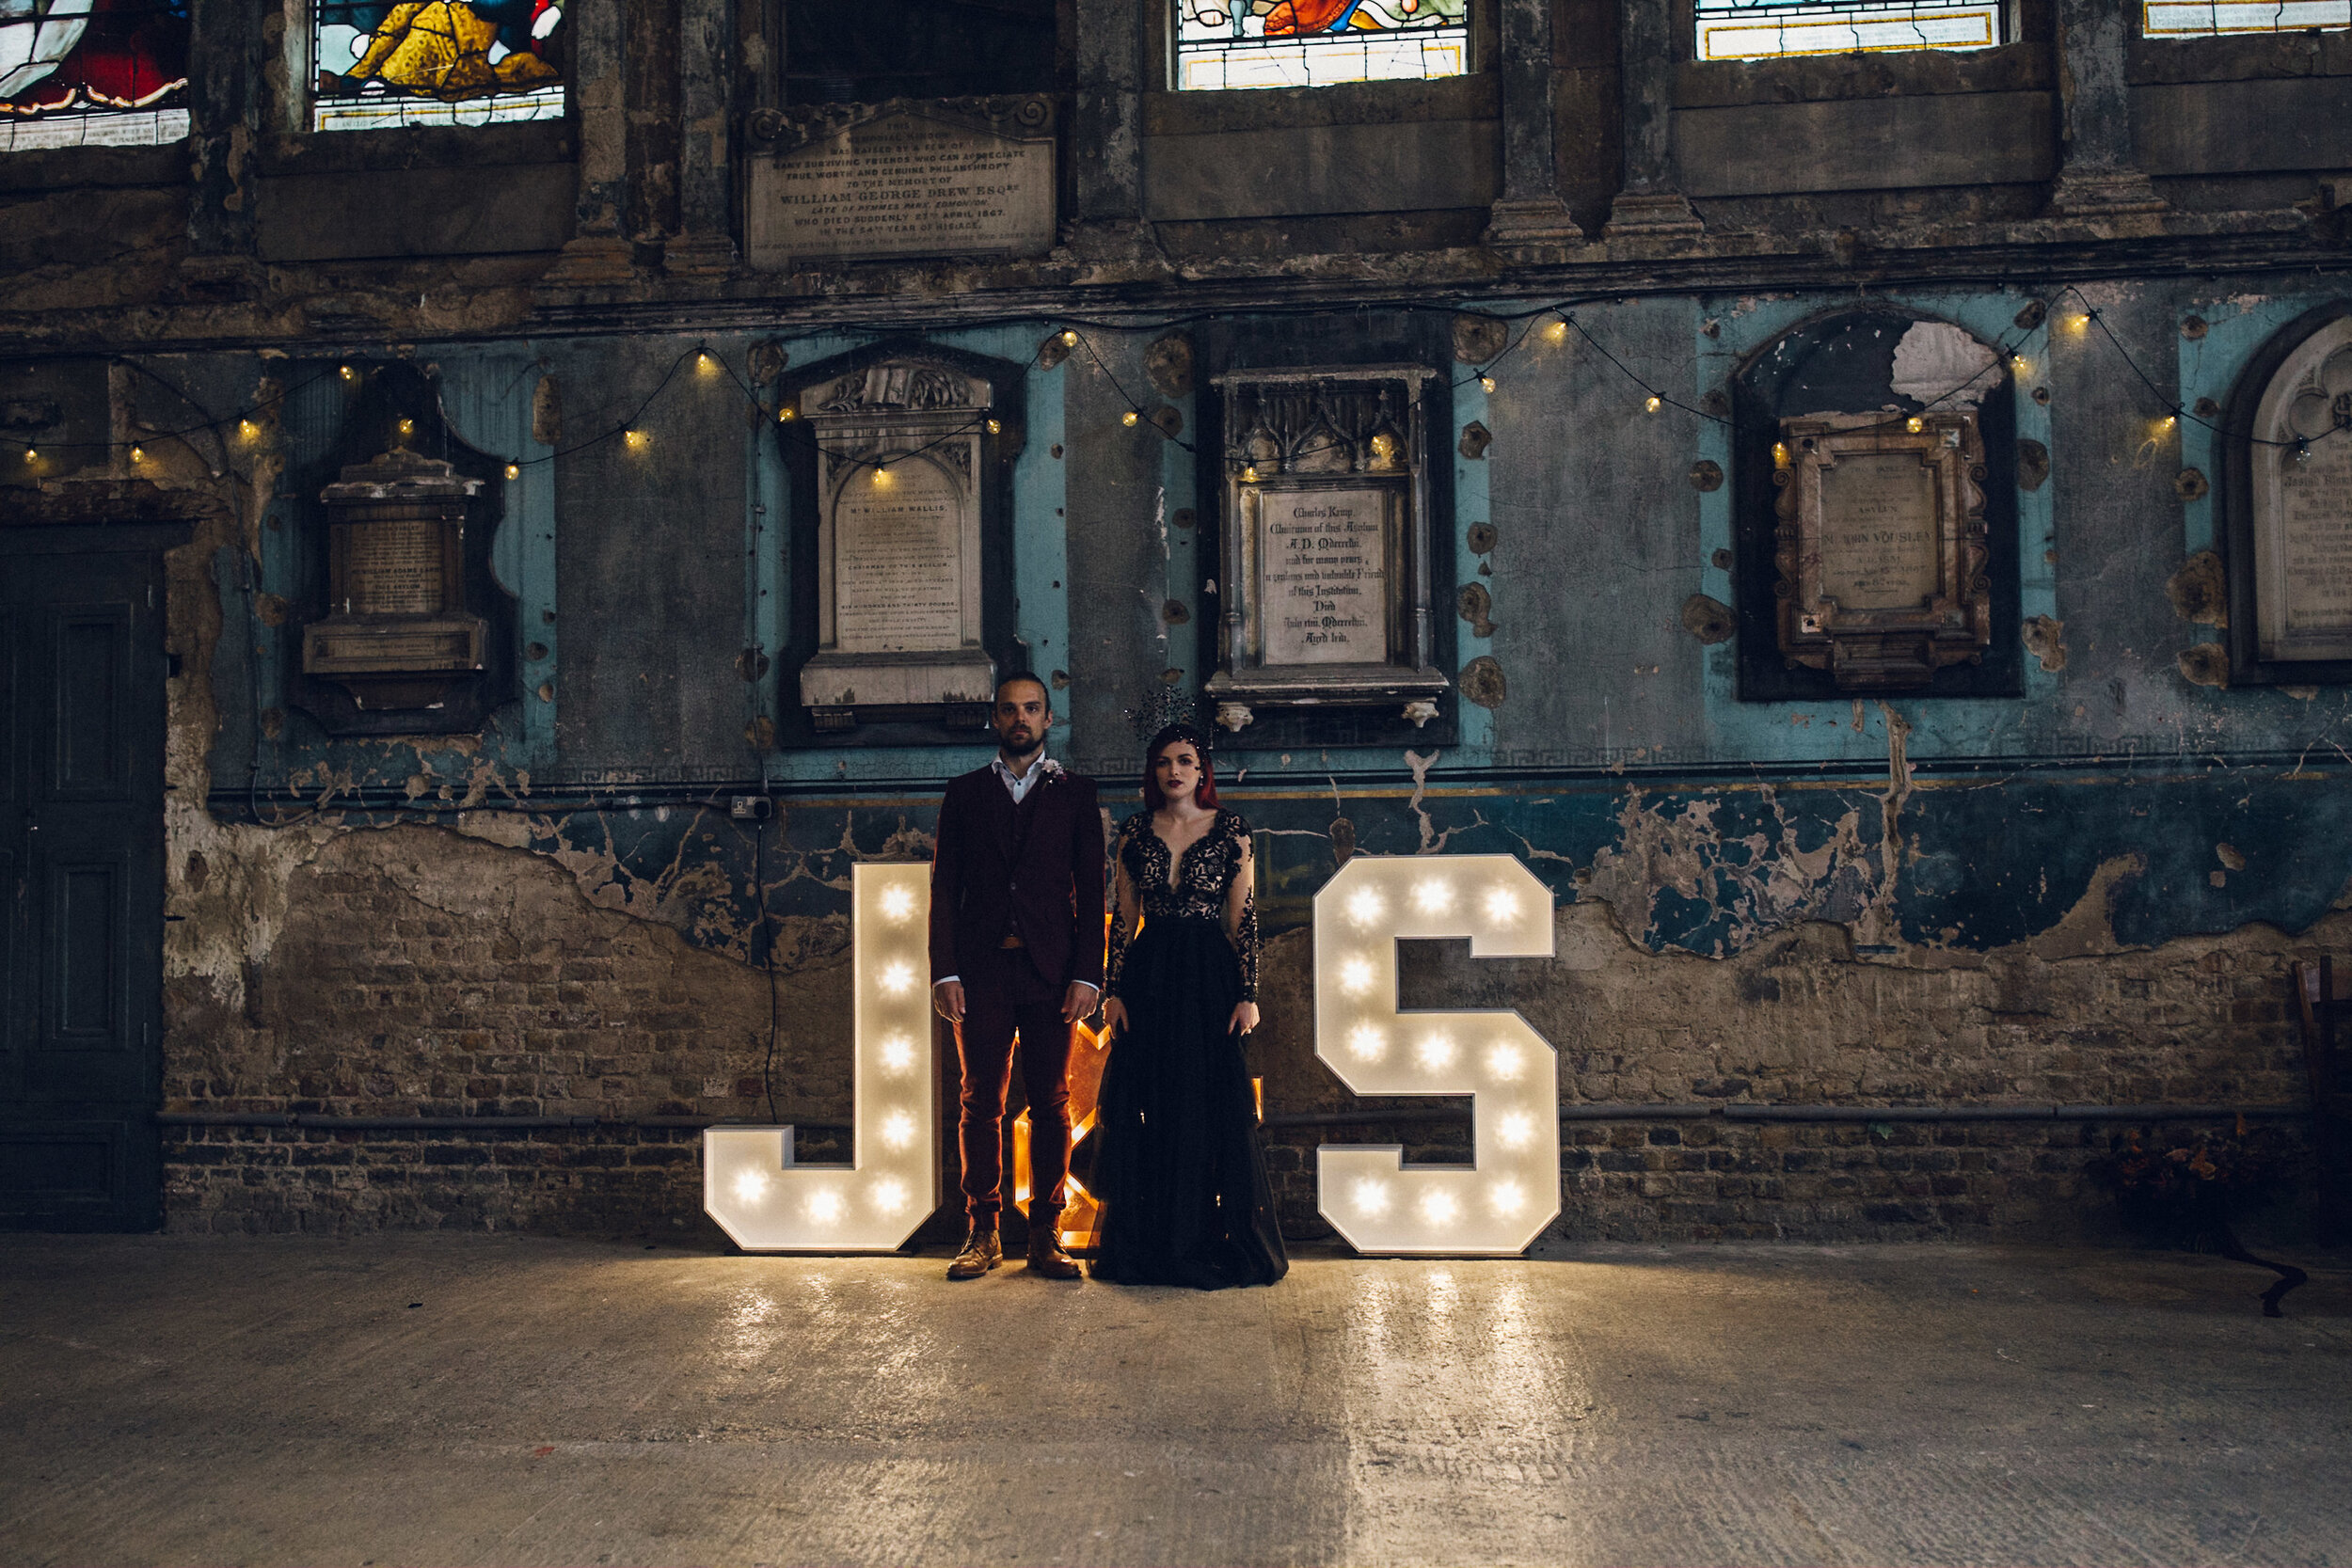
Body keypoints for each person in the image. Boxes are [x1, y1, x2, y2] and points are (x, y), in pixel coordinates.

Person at [1090, 723, 1288, 1289]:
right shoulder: (1133, 832)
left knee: (1204, 1109)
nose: (1173, 770)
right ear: (1153, 772)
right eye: (1162, 762)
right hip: (1150, 977)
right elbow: (1123, 921)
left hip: (1208, 980)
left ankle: (1198, 1239)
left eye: (1184, 760)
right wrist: (1114, 991)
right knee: (1147, 1105)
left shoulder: (1231, 831)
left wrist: (1248, 993)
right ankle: (1150, 1244)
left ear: (1203, 771)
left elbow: (1242, 919)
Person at [930, 674, 1104, 1281]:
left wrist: (1088, 974)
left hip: (1051, 975)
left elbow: (1091, 890)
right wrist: (945, 971)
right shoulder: (965, 793)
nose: (1020, 719)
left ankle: (1045, 1234)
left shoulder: (1076, 795)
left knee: (1053, 1101)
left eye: (1031, 709)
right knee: (980, 1101)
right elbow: (945, 890)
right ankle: (982, 1232)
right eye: (1009, 710)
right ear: (994, 720)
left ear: (1048, 719)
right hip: (981, 972)